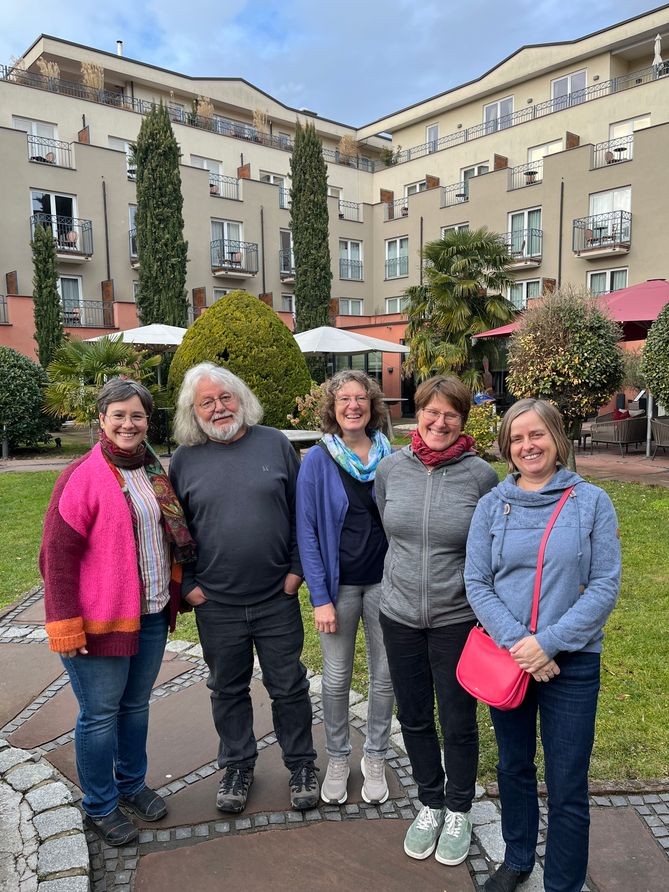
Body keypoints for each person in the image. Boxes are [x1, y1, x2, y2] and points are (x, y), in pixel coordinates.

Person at [464, 398, 621, 892]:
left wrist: (548, 646)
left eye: (537, 435)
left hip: (571, 664)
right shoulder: (492, 505)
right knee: (513, 765)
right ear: (507, 448)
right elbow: (476, 580)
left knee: (567, 782)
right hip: (509, 661)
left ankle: (564, 882)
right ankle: (517, 858)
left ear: (557, 439)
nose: (527, 445)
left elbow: (604, 585)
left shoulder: (591, 501)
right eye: (517, 438)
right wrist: (521, 646)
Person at [40, 378, 196, 846]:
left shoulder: (153, 470)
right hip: (98, 621)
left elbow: (167, 537)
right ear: (102, 420)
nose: (129, 424)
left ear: (148, 420)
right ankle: (100, 805)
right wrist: (65, 624)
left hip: (148, 612)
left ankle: (131, 784)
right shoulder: (82, 476)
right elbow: (56, 557)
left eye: (137, 415)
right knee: (100, 714)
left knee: (135, 706)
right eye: (119, 415)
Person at [169, 362, 319, 814]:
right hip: (217, 603)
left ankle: (302, 765)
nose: (218, 408)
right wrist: (190, 587)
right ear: (193, 413)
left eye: (225, 398)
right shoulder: (184, 459)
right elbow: (174, 530)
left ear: (241, 398)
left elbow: (302, 515)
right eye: (207, 402)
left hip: (277, 596)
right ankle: (237, 764)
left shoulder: (274, 443)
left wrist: (296, 572)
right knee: (227, 688)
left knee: (289, 686)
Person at [375, 375, 498, 867]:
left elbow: (487, 547)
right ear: (417, 414)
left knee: (457, 717)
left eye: (451, 414)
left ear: (463, 420)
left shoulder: (481, 477)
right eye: (431, 411)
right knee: (415, 714)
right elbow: (390, 526)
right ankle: (430, 800)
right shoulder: (390, 470)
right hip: (399, 613)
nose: (439, 421)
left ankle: (460, 807)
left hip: (457, 617)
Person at [296, 370, 394, 805]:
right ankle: (337, 756)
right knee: (335, 680)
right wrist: (319, 598)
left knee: (385, 676)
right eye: (344, 400)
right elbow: (308, 532)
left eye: (361, 398)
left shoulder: (393, 458)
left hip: (387, 584)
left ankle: (374, 755)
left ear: (372, 406)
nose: (353, 406)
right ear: (332, 410)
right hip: (338, 589)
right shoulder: (318, 460)